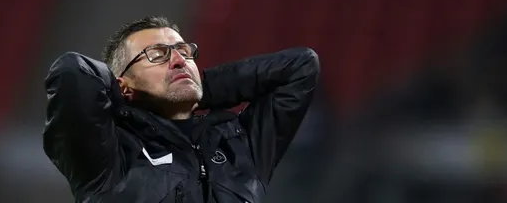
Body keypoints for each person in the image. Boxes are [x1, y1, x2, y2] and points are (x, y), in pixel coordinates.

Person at [43, 15, 320, 202]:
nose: (178, 60)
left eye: (184, 52)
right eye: (157, 55)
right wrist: (125, 98)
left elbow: (301, 66)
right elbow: (72, 71)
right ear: (123, 86)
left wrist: (199, 89)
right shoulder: (109, 154)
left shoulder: (240, 146)